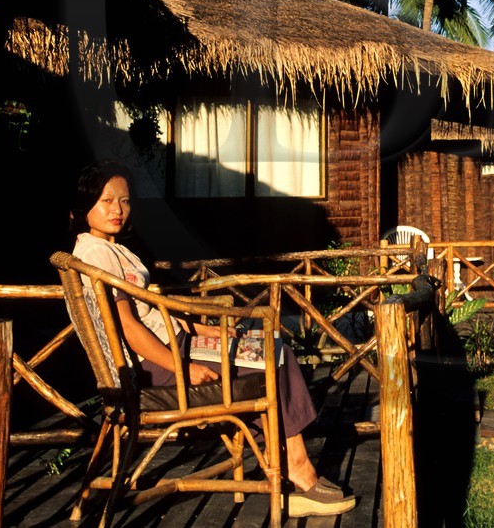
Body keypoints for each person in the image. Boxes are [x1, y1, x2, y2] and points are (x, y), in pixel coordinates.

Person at [70, 160, 354, 518]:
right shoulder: (96, 254)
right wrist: (183, 368)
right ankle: (297, 470)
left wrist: (199, 329)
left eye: (124, 201)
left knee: (269, 350)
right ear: (85, 206)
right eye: (106, 200)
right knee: (271, 355)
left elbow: (150, 313)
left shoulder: (108, 250)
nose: (117, 209)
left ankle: (290, 466)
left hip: (170, 349)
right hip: (155, 367)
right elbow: (127, 328)